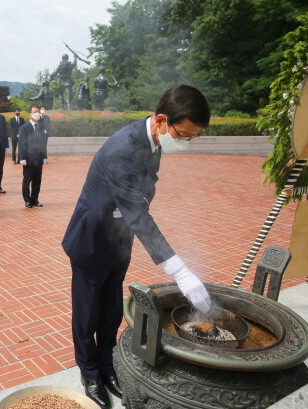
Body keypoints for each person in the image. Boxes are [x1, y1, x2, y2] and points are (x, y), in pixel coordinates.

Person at [62, 85, 212, 409]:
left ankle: (107, 365)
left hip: (119, 238)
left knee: (112, 310)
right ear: (161, 120)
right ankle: (89, 372)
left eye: (191, 138)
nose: (185, 143)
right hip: (91, 239)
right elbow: (137, 212)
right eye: (183, 135)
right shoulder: (123, 147)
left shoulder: (154, 139)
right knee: (87, 314)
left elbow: (145, 190)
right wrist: (181, 271)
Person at [19, 106, 48, 208]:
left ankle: (35, 199)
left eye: (38, 112)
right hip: (29, 158)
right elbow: (22, 144)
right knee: (27, 180)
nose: (37, 114)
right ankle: (27, 200)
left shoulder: (41, 127)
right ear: (30, 114)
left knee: (37, 180)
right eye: (35, 112)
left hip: (39, 157)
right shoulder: (24, 128)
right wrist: (22, 158)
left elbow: (43, 143)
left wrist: (45, 156)